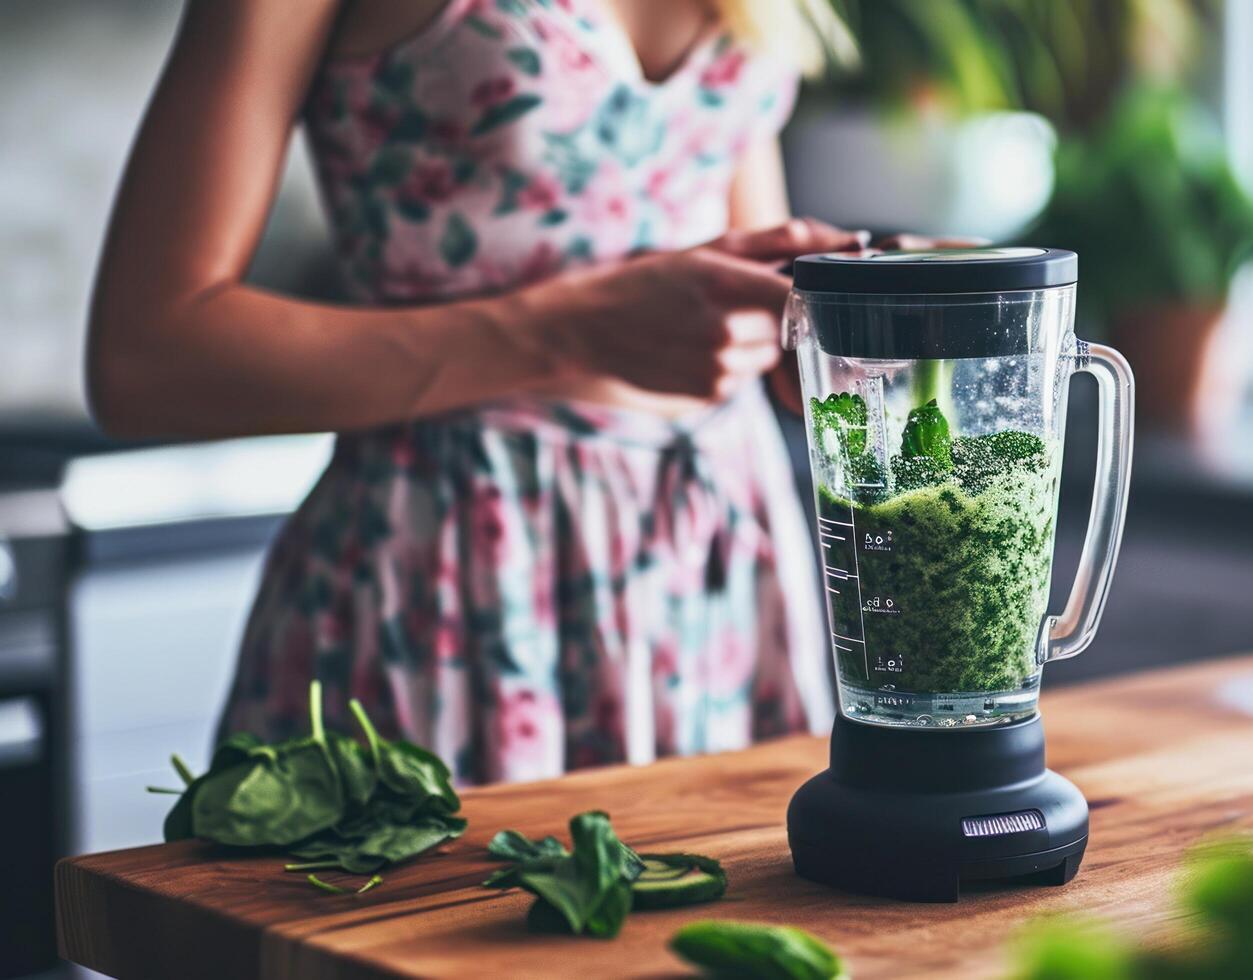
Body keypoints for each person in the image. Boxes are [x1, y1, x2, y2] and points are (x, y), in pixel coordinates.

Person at [88, 0, 861, 783]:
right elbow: (146, 357)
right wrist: (571, 331)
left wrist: (856, 321)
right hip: (454, 568)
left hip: (715, 558)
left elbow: (735, 256)